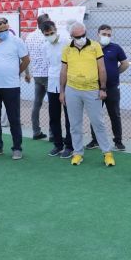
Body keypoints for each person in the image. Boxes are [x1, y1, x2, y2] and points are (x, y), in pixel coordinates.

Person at [59, 21, 115, 167]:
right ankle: (78, 153)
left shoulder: (95, 46)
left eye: (83, 35)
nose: (81, 38)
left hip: (92, 90)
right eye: (77, 36)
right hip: (72, 90)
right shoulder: (67, 49)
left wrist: (103, 88)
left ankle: (107, 153)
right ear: (72, 36)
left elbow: (102, 69)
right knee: (74, 124)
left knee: (98, 122)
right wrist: (62, 91)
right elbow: (63, 71)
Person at [0, 16, 30, 159]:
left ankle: (17, 148)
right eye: (0, 30)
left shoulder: (17, 41)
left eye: (5, 30)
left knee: (14, 118)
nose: (3, 32)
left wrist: (16, 72)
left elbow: (26, 60)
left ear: (8, 28)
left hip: (11, 86)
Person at [85, 24, 129, 151]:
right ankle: (95, 140)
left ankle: (118, 141)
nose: (106, 36)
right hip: (95, 87)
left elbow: (125, 64)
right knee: (95, 115)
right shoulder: (91, 47)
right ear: (98, 34)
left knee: (115, 115)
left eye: (109, 35)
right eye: (104, 34)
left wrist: (115, 73)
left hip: (112, 88)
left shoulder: (116, 48)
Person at [42, 21, 74, 158]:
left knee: (69, 117)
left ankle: (70, 146)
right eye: (47, 34)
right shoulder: (45, 46)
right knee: (54, 116)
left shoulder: (67, 42)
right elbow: (48, 64)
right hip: (52, 84)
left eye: (52, 32)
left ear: (56, 29)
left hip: (67, 83)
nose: (50, 35)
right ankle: (58, 144)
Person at [24, 13, 51, 140]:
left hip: (37, 75)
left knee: (37, 103)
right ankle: (53, 133)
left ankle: (36, 131)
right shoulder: (47, 36)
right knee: (53, 105)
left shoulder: (29, 37)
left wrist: (27, 73)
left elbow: (25, 57)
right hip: (49, 74)